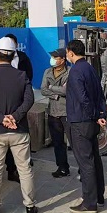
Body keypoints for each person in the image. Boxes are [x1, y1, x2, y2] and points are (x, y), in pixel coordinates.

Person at [0, 36, 38, 213]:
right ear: (13, 55)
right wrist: (15, 117)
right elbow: (29, 100)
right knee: (24, 169)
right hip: (19, 129)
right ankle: (30, 205)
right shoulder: (22, 76)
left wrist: (1, 118)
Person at [66, 39, 107, 213]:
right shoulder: (90, 68)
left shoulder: (75, 71)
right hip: (91, 121)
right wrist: (100, 114)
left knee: (86, 163)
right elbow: (100, 94)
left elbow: (82, 98)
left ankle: (89, 203)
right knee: (94, 159)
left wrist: (93, 115)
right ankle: (99, 197)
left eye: (67, 53)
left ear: (70, 53)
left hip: (81, 121)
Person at [5, 33, 33, 182]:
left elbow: (29, 75)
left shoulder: (23, 58)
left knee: (22, 133)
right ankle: (11, 168)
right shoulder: (0, 60)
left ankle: (24, 161)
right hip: (5, 104)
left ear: (16, 44)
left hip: (20, 102)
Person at [40, 48, 71, 178]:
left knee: (74, 142)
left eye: (55, 57)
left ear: (63, 60)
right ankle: (62, 167)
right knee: (58, 142)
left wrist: (51, 87)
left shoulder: (69, 72)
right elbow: (43, 90)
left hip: (66, 112)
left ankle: (83, 169)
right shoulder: (47, 72)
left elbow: (66, 91)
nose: (52, 59)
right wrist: (55, 95)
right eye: (52, 57)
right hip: (53, 111)